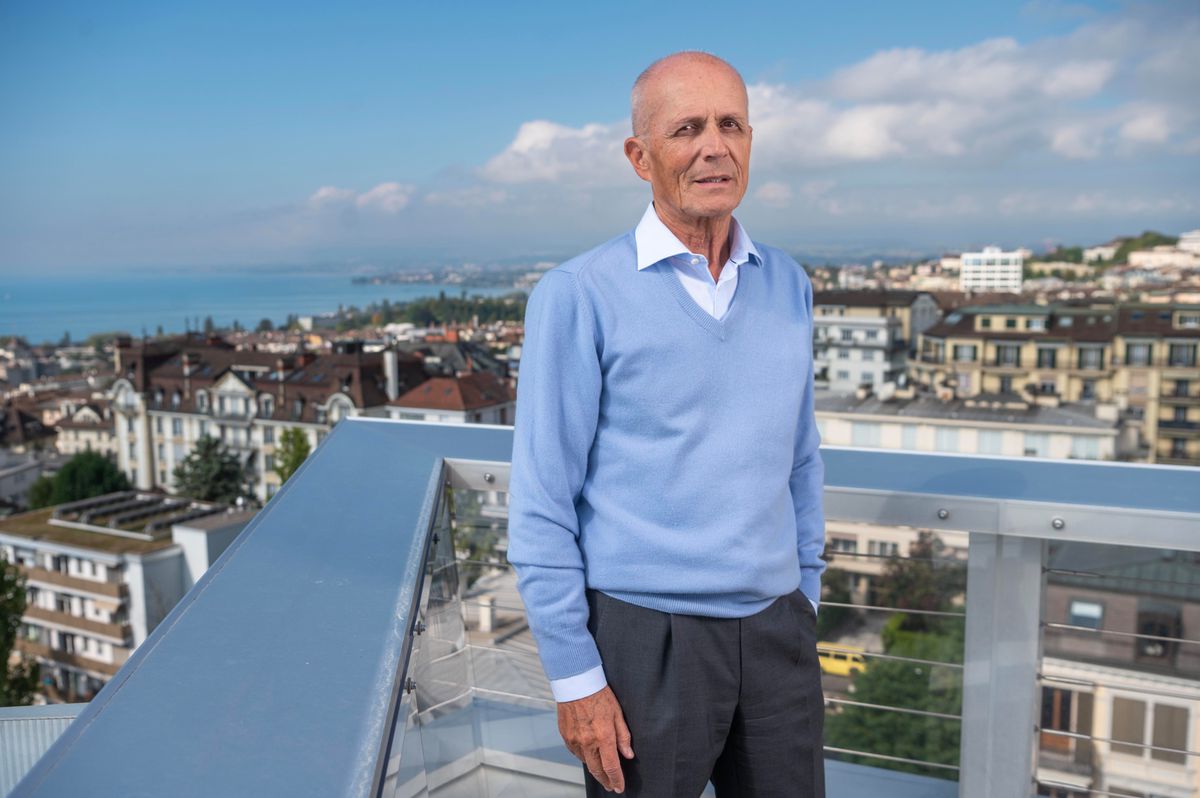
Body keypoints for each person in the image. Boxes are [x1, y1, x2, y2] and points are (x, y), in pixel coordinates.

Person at [507, 50, 826, 797]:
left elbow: (800, 461)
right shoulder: (577, 295)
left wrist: (804, 594)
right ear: (640, 157)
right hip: (645, 642)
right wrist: (574, 677)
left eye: (731, 125)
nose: (715, 146)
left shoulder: (788, 284)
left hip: (778, 632)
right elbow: (542, 501)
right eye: (687, 129)